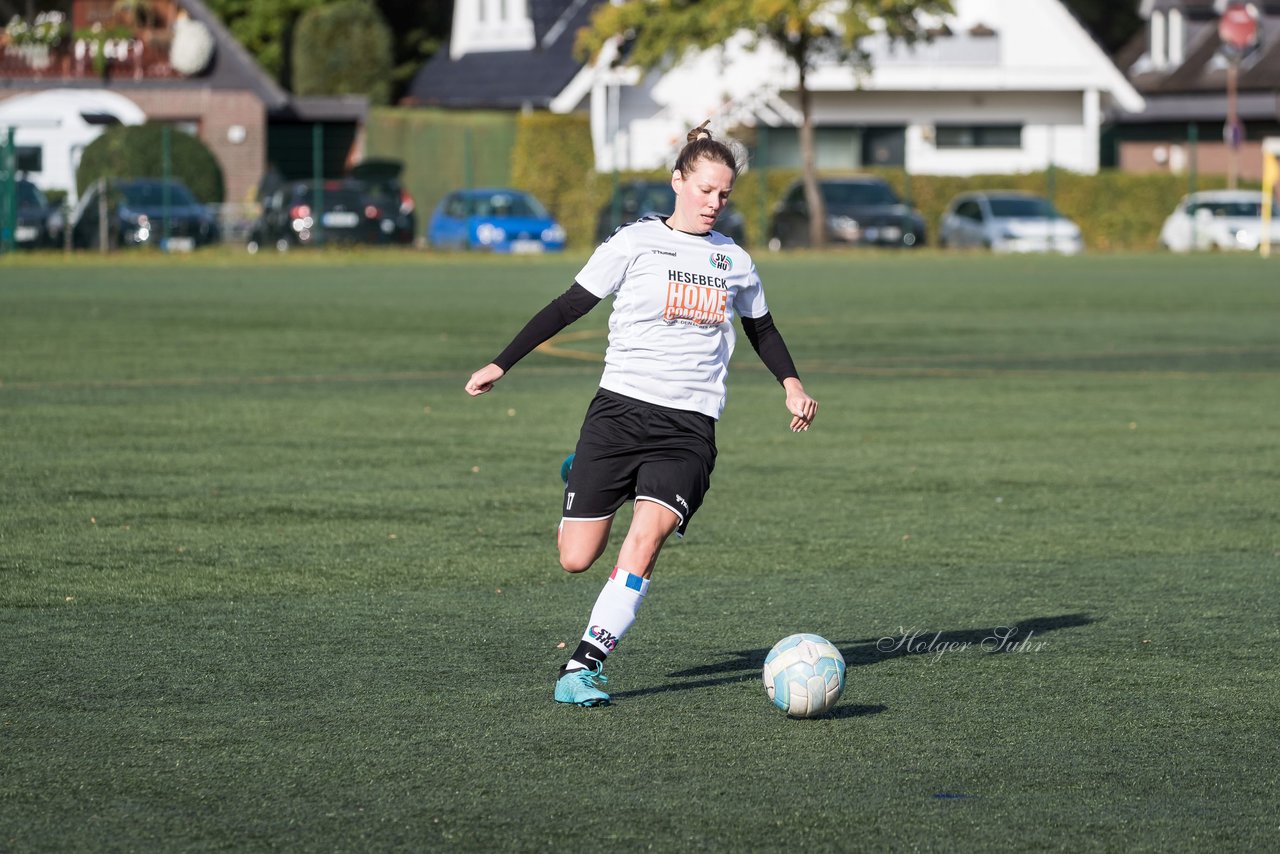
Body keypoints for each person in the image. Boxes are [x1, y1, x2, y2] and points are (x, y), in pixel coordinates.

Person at [464, 121, 817, 707]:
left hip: (688, 428)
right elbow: (569, 304)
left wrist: (791, 384)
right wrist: (503, 363)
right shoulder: (634, 243)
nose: (714, 204)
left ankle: (582, 667)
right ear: (679, 181)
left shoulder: (735, 261)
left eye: (724, 195)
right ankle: (582, 470)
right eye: (705, 190)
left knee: (646, 540)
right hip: (619, 413)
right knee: (577, 558)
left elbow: (762, 327)